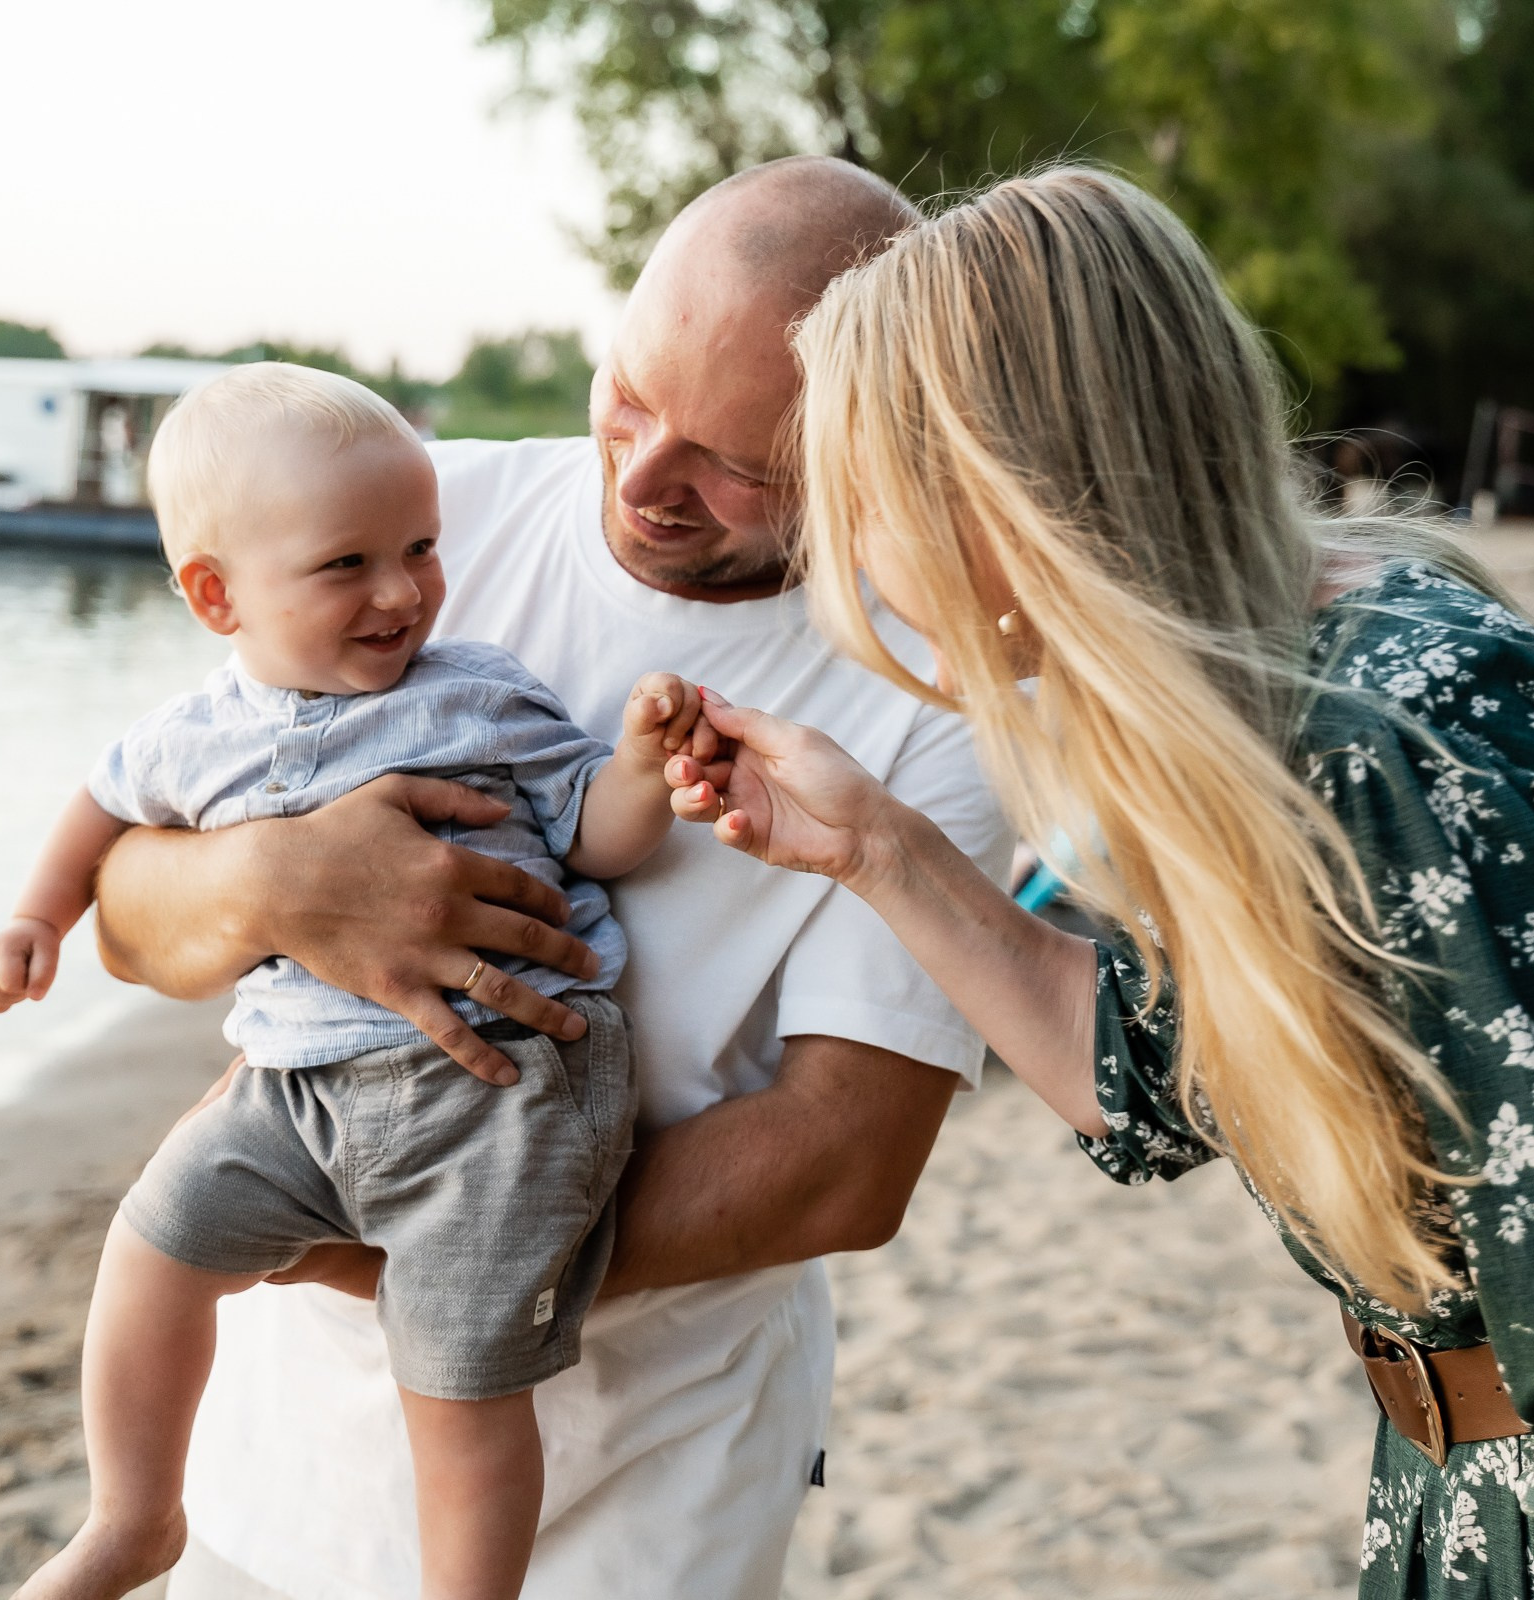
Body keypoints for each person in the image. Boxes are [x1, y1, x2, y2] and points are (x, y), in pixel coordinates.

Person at [665, 167, 1534, 1598]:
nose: (856, 562)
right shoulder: (1327, 653)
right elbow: (1147, 1074)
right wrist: (873, 846)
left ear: (993, 492)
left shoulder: (1374, 760)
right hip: (1494, 1500)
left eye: (865, 503)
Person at [87, 159, 1010, 1600]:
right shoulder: (408, 526)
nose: (640, 479)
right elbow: (127, 912)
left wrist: (418, 1250)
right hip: (274, 1466)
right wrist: (274, 882)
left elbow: (843, 1166)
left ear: (870, 450)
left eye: (735, 462)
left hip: (642, 1489)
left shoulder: (933, 704)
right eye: (629, 395)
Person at [0, 363, 728, 1600]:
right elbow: (101, 808)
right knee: (152, 1246)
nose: (401, 591)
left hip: (500, 1088)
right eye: (346, 565)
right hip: (294, 1090)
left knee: (460, 1378)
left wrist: (644, 764)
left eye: (421, 549)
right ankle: (132, 1518)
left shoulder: (480, 692)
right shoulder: (194, 735)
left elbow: (596, 833)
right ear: (216, 594)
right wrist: (34, 917)